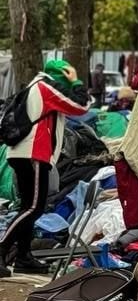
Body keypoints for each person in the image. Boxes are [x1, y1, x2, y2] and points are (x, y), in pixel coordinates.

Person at [0, 59, 87, 276]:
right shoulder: (46, 87)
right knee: (34, 208)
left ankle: (23, 257)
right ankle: (2, 249)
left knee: (28, 206)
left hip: (23, 153)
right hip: (33, 153)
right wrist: (76, 82)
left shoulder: (34, 86)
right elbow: (80, 106)